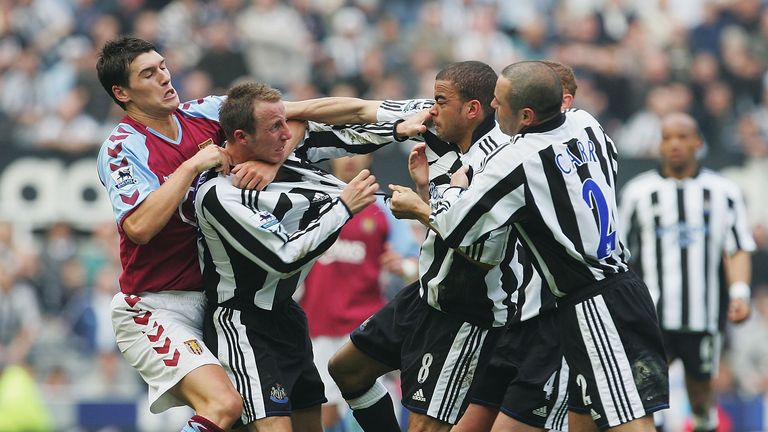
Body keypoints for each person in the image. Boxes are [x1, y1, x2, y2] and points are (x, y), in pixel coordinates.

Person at [389, 60, 670, 431]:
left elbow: (455, 229)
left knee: (631, 424)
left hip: (593, 302)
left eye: (499, 102)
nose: (492, 107)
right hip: (619, 288)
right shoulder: (588, 124)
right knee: (587, 420)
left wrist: (429, 200)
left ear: (525, 115)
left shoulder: (517, 160)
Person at [286, 60, 516, 432]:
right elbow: (359, 109)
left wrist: (420, 210)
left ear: (472, 110)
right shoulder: (434, 124)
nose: (430, 108)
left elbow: (483, 252)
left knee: (425, 425)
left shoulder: (498, 163)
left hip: (468, 306)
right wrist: (282, 111)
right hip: (427, 291)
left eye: (440, 101)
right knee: (346, 371)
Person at [195, 81, 381, 432]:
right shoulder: (219, 192)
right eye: (275, 127)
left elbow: (323, 123)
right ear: (241, 136)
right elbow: (283, 258)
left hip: (289, 318)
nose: (288, 133)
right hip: (243, 324)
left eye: (286, 122)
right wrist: (343, 207)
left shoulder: (287, 170)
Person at [95, 36, 244, 432]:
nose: (164, 77)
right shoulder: (121, 147)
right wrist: (193, 165)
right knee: (223, 404)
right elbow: (140, 227)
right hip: (155, 306)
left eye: (162, 66)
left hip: (219, 305)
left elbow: (286, 115)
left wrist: (395, 119)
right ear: (121, 92)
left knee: (257, 416)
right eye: (148, 73)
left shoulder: (208, 112)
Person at [453, 60, 578, 432]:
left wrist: (440, 193)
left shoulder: (533, 158)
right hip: (512, 317)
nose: (494, 107)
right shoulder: (506, 144)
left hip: (552, 318)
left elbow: (460, 229)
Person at [617, 112, 754, 432]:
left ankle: (704, 423)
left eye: (682, 137)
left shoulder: (723, 192)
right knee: (647, 397)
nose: (674, 145)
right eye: (667, 138)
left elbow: (737, 248)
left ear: (698, 142)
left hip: (701, 315)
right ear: (659, 145)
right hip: (649, 316)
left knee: (701, 396)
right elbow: (621, 255)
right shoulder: (638, 193)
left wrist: (740, 293)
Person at [299, 152, 420, 430]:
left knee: (368, 418)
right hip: (317, 330)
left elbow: (416, 267)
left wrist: (402, 266)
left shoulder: (383, 207)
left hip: (364, 331)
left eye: (358, 151)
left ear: (371, 157)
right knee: (322, 418)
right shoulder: (312, 201)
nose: (350, 159)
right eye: (342, 151)